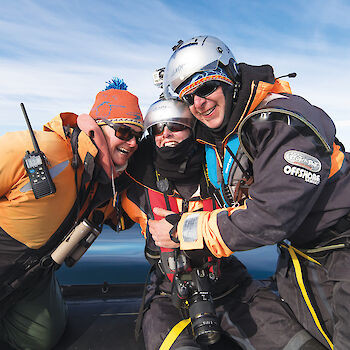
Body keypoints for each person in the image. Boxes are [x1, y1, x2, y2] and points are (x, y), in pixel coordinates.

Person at [148, 35, 350, 350]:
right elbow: (165, 151)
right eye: (188, 97)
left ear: (230, 77)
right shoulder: (221, 134)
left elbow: (269, 217)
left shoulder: (283, 122)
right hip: (299, 259)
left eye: (205, 87)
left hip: (342, 250)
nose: (198, 104)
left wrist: (180, 231)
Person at [122, 98, 324, 350]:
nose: (166, 135)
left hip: (229, 283)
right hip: (169, 291)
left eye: (175, 126)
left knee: (299, 345)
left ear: (192, 127)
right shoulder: (133, 184)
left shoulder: (224, 174)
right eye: (158, 129)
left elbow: (263, 215)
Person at [0, 77, 143, 350]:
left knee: (41, 338)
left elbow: (133, 215)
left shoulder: (107, 187)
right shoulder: (40, 150)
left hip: (32, 277)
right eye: (124, 132)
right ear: (99, 129)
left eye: (139, 135)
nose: (134, 142)